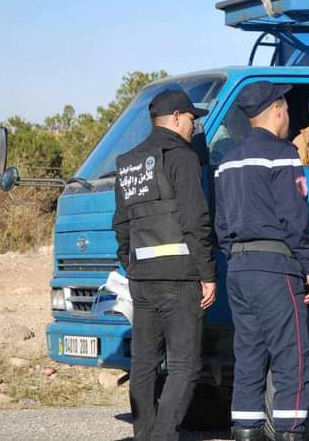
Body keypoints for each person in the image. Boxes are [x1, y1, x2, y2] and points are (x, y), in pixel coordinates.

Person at [214, 81, 309, 441]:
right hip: (275, 269)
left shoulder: (227, 161)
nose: (288, 116)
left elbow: (221, 225)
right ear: (277, 110)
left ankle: (246, 431)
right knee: (292, 357)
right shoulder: (283, 154)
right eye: (287, 109)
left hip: (239, 271)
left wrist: (238, 256)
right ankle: (290, 432)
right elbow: (295, 218)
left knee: (248, 357)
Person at [112, 89, 217, 440]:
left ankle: (144, 434)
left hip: (142, 279)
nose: (193, 125)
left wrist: (130, 264)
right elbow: (195, 219)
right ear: (175, 117)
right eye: (191, 119)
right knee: (184, 366)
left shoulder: (129, 161)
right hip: (180, 277)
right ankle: (162, 436)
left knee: (143, 363)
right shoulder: (181, 157)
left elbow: (122, 224)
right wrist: (208, 274)